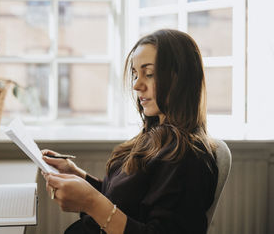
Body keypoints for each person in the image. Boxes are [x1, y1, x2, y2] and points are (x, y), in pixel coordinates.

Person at [42, 29, 218, 234]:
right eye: (135, 74)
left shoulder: (189, 158)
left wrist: (91, 203)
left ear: (181, 79)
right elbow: (126, 204)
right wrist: (77, 175)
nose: (136, 85)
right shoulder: (156, 136)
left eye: (149, 74)